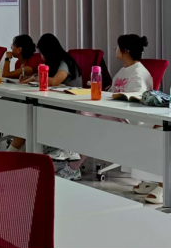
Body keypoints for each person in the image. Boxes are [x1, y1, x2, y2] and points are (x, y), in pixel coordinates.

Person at [56, 35, 156, 183]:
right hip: (113, 111)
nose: (115, 49)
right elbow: (112, 93)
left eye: (117, 47)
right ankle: (72, 157)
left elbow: (133, 103)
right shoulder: (124, 69)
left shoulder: (139, 74)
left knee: (92, 125)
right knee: (83, 113)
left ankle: (73, 167)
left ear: (126, 51)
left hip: (126, 120)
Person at [9, 33, 82, 153]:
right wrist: (30, 79)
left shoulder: (65, 62)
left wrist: (36, 78)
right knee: (27, 120)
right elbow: (44, 78)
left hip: (68, 106)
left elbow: (54, 81)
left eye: (43, 53)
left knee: (28, 121)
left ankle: (11, 154)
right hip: (55, 101)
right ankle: (17, 154)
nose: (41, 56)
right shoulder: (55, 63)